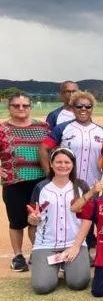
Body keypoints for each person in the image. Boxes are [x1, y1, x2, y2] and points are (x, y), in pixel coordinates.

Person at [28, 148, 94, 294]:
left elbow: (87, 219)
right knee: (42, 287)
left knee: (79, 283)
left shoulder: (81, 186)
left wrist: (76, 246)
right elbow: (32, 220)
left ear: (72, 164)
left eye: (67, 162)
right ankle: (54, 266)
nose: (63, 165)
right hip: (47, 244)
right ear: (51, 164)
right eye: (58, 162)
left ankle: (67, 265)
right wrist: (33, 219)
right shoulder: (41, 187)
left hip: (74, 243)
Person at [0, 93, 50, 272]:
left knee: (36, 220)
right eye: (16, 105)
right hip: (14, 182)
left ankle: (37, 252)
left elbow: (53, 149)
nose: (21, 109)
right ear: (9, 107)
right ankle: (17, 256)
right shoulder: (2, 129)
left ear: (30, 107)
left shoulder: (43, 127)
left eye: (25, 105)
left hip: (40, 182)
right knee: (16, 221)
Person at [40, 91, 103, 189]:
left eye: (88, 106)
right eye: (79, 106)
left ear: (92, 108)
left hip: (93, 185)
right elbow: (43, 149)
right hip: (66, 184)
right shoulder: (62, 128)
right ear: (72, 108)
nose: (83, 109)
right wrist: (49, 174)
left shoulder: (101, 131)